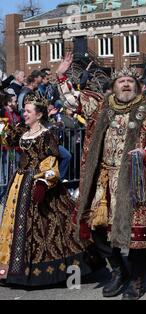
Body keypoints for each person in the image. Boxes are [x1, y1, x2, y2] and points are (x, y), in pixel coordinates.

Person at [57, 53, 146, 300]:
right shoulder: (102, 105)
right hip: (104, 179)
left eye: (130, 82)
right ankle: (119, 270)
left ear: (138, 86)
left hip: (135, 179)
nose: (125, 84)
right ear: (113, 86)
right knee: (96, 228)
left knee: (135, 234)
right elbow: (71, 100)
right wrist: (61, 75)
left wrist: (145, 153)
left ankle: (136, 279)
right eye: (121, 81)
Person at [0, 93, 91, 286]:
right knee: (15, 226)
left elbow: (51, 163)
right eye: (24, 110)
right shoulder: (22, 130)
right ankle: (9, 270)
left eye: (28, 111)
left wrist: (42, 182)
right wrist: (4, 131)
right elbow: (7, 143)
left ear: (39, 115)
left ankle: (45, 273)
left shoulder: (47, 135)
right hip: (19, 182)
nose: (24, 113)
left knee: (49, 226)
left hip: (37, 182)